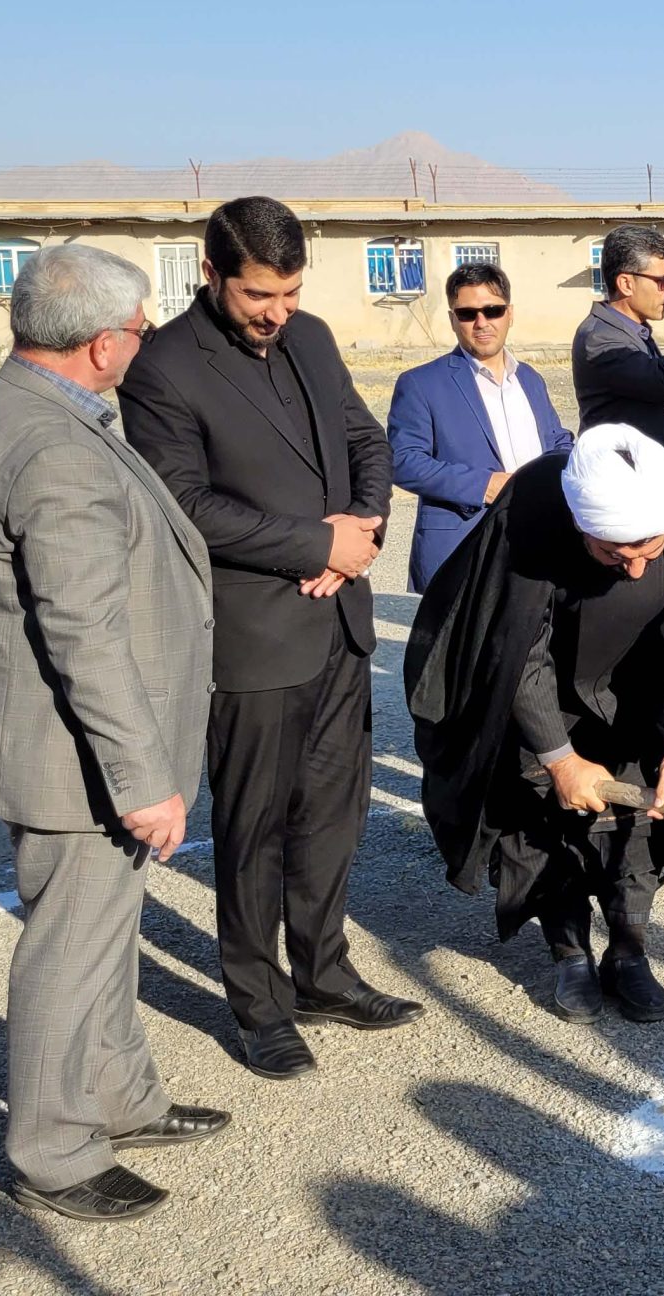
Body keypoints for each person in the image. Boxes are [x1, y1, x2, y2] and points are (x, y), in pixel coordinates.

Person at [0, 244, 227, 1221]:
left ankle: (120, 1100)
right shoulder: (53, 445)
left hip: (63, 745)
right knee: (68, 950)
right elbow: (84, 633)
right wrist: (143, 778)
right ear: (103, 344)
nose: (146, 343)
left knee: (103, 938)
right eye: (142, 329)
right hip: (75, 758)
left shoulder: (4, 407)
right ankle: (54, 1154)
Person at [119, 196, 425, 1082]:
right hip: (252, 639)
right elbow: (184, 504)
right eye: (259, 294)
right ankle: (258, 1006)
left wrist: (362, 527)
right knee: (252, 830)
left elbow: (368, 441)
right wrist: (313, 544)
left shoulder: (313, 338)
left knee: (331, 817)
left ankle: (324, 975)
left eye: (290, 293)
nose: (277, 312)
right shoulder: (163, 368)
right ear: (210, 273)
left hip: (339, 625)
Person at [404, 425, 664, 1024]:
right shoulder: (533, 513)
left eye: (649, 552)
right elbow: (516, 653)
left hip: (641, 695)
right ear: (581, 524)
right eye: (615, 553)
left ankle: (628, 950)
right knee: (542, 822)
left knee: (637, 824)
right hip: (538, 698)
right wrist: (559, 757)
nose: (634, 570)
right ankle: (569, 951)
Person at [387, 260, 574, 592]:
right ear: (452, 319)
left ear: (510, 314)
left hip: (539, 539)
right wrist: (485, 485)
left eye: (493, 310)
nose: (481, 322)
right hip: (462, 546)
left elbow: (555, 441)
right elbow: (403, 461)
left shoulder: (530, 379)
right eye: (467, 314)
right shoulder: (421, 383)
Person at [574, 224, 664, 475]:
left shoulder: (631, 331)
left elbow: (644, 411)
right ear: (626, 283)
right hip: (631, 490)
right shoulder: (600, 339)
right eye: (662, 281)